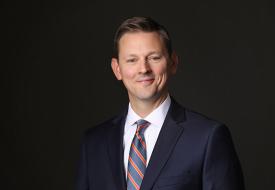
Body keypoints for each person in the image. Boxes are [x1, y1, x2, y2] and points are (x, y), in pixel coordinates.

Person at [76, 16, 245, 190]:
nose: (144, 69)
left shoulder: (208, 138)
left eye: (154, 58)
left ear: (173, 63)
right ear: (117, 69)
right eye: (132, 60)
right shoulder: (94, 143)